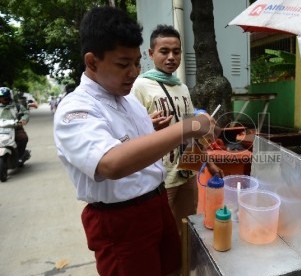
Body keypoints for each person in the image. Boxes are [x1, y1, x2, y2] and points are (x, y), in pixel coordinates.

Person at [53, 7, 218, 276]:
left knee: (173, 269)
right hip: (121, 220)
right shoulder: (75, 109)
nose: (133, 72)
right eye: (122, 64)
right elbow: (111, 164)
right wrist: (188, 128)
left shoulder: (128, 99)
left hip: (157, 201)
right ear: (92, 62)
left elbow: (137, 145)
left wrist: (156, 133)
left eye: (136, 63)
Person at [131, 24, 223, 232]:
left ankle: (185, 264)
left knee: (188, 227)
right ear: (151, 53)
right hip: (161, 178)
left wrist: (208, 163)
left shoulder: (182, 87)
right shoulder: (140, 87)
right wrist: (149, 126)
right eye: (164, 51)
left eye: (176, 51)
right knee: (163, 231)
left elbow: (193, 133)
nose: (171, 57)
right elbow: (131, 135)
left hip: (188, 172)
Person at [0, 87, 30, 162]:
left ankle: (20, 155)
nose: (3, 99)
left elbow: (26, 113)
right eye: (1, 97)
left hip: (15, 127)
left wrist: (23, 120)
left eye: (5, 97)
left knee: (23, 138)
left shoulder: (17, 106)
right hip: (0, 129)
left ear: (9, 97)